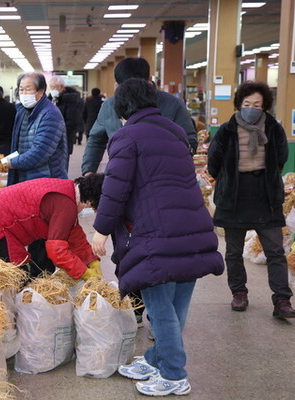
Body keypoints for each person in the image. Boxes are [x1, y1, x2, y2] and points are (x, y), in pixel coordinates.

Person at [91, 78, 223, 396]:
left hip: (156, 236)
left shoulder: (126, 137)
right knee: (175, 309)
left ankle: (174, 374)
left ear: (121, 107)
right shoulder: (175, 132)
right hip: (193, 230)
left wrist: (100, 230)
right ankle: (155, 359)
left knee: (160, 310)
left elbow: (115, 188)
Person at [207, 81, 295, 319]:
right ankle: (239, 292)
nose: (252, 108)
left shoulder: (274, 128)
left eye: (257, 104)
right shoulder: (227, 130)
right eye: (247, 104)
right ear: (238, 104)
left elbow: (281, 158)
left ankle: (282, 300)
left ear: (265, 105)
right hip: (233, 198)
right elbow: (213, 160)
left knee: (275, 251)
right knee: (234, 252)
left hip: (266, 199)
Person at [0, 175, 104, 279]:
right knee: (17, 276)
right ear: (92, 200)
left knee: (21, 273)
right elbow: (56, 250)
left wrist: (91, 260)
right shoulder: (65, 204)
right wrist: (83, 272)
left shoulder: (68, 190)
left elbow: (72, 232)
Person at [82, 57, 197, 175]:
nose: (132, 92)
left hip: (162, 178)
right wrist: (88, 171)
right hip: (120, 175)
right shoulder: (109, 106)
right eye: (127, 87)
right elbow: (96, 140)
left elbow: (189, 142)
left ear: (150, 80)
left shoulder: (173, 104)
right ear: (118, 85)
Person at [7, 72, 68, 186]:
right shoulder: (22, 112)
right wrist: (6, 160)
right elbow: (18, 145)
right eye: (21, 89)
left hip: (47, 180)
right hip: (26, 178)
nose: (23, 93)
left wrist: (13, 163)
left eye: (28, 89)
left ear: (40, 92)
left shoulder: (50, 114)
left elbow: (40, 152)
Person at [49, 76, 84, 157]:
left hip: (64, 139)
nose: (52, 90)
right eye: (51, 87)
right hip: (49, 139)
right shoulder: (50, 99)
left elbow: (71, 122)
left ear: (61, 87)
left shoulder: (71, 101)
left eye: (54, 87)